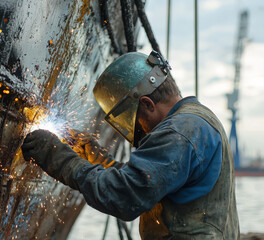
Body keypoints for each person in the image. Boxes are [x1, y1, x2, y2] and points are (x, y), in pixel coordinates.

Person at [22, 51, 240, 239]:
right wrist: (94, 156)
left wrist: (56, 157)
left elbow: (124, 196)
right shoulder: (196, 121)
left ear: (147, 104)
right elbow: (148, 181)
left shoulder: (179, 132)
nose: (140, 131)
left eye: (131, 119)